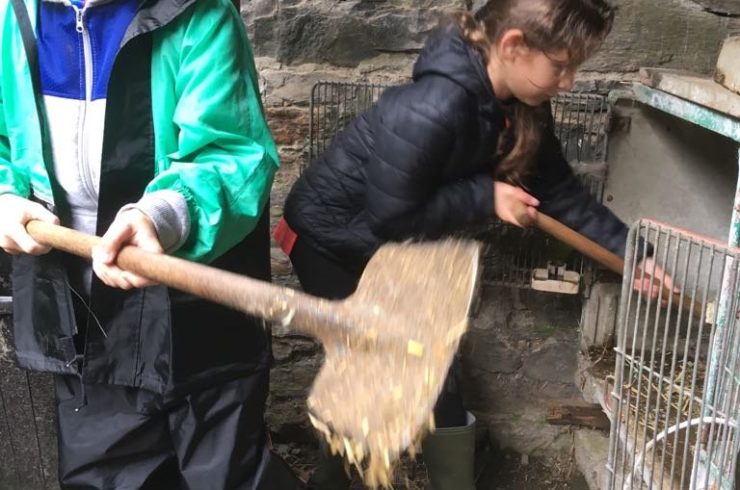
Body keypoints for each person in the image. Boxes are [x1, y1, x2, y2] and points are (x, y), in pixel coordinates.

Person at [274, 0, 669, 488]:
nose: (568, 82)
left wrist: (633, 254)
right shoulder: (435, 106)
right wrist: (486, 196)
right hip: (329, 238)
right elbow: (391, 215)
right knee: (373, 365)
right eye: (561, 66)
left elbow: (560, 192)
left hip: (388, 242)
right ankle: (331, 482)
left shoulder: (522, 104)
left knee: (429, 361)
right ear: (513, 45)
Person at [0, 0, 304, 488]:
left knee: (226, 474)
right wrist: (4, 196)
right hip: (84, 315)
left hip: (198, 304)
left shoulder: (199, 13)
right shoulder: (10, 18)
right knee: (106, 476)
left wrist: (163, 214)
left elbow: (234, 151)